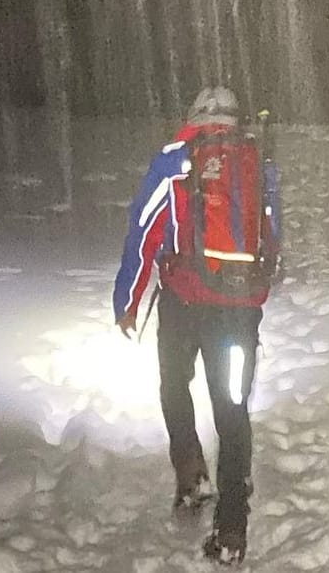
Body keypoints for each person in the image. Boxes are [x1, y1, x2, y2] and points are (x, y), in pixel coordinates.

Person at [112, 86, 280, 566]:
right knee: (233, 411)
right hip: (240, 310)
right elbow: (272, 239)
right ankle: (231, 530)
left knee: (174, 386)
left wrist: (127, 299)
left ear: (194, 117)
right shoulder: (258, 162)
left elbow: (142, 232)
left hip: (183, 304)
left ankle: (191, 478)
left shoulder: (174, 160)